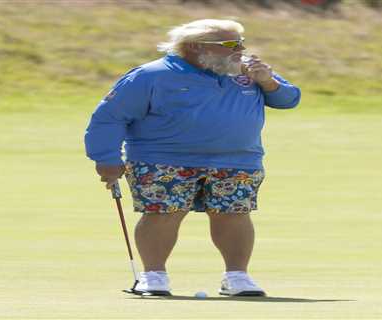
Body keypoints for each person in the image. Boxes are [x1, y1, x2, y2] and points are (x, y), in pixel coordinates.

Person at [84, 19, 300, 297]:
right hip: (163, 159)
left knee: (233, 215)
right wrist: (106, 157)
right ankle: (154, 276)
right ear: (197, 47)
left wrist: (268, 82)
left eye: (241, 42)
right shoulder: (151, 75)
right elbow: (109, 119)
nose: (242, 49)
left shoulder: (247, 71)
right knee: (163, 214)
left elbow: (288, 99)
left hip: (237, 161)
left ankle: (237, 277)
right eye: (232, 44)